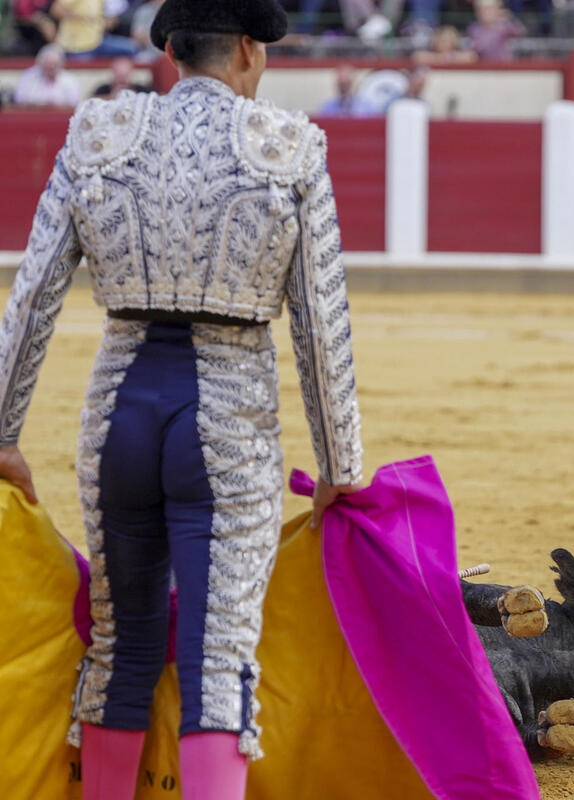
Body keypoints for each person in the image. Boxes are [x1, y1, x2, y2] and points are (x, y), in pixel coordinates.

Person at [0, 0, 364, 797]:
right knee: (218, 652)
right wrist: (341, 463)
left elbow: (32, 295)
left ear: (171, 52)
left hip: (119, 412)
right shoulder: (290, 146)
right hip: (227, 420)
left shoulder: (99, 134)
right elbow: (320, 322)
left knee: (119, 645)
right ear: (243, 50)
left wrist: (0, 431)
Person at [51, 0, 141, 58]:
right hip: (76, 47)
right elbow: (56, 10)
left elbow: (105, 19)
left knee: (132, 48)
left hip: (97, 41)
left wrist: (108, 22)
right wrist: (82, 17)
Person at [12, 43, 82, 107]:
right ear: (39, 63)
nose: (51, 67)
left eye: (54, 64)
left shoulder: (69, 79)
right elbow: (19, 100)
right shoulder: (28, 76)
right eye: (47, 64)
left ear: (61, 64)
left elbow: (75, 103)